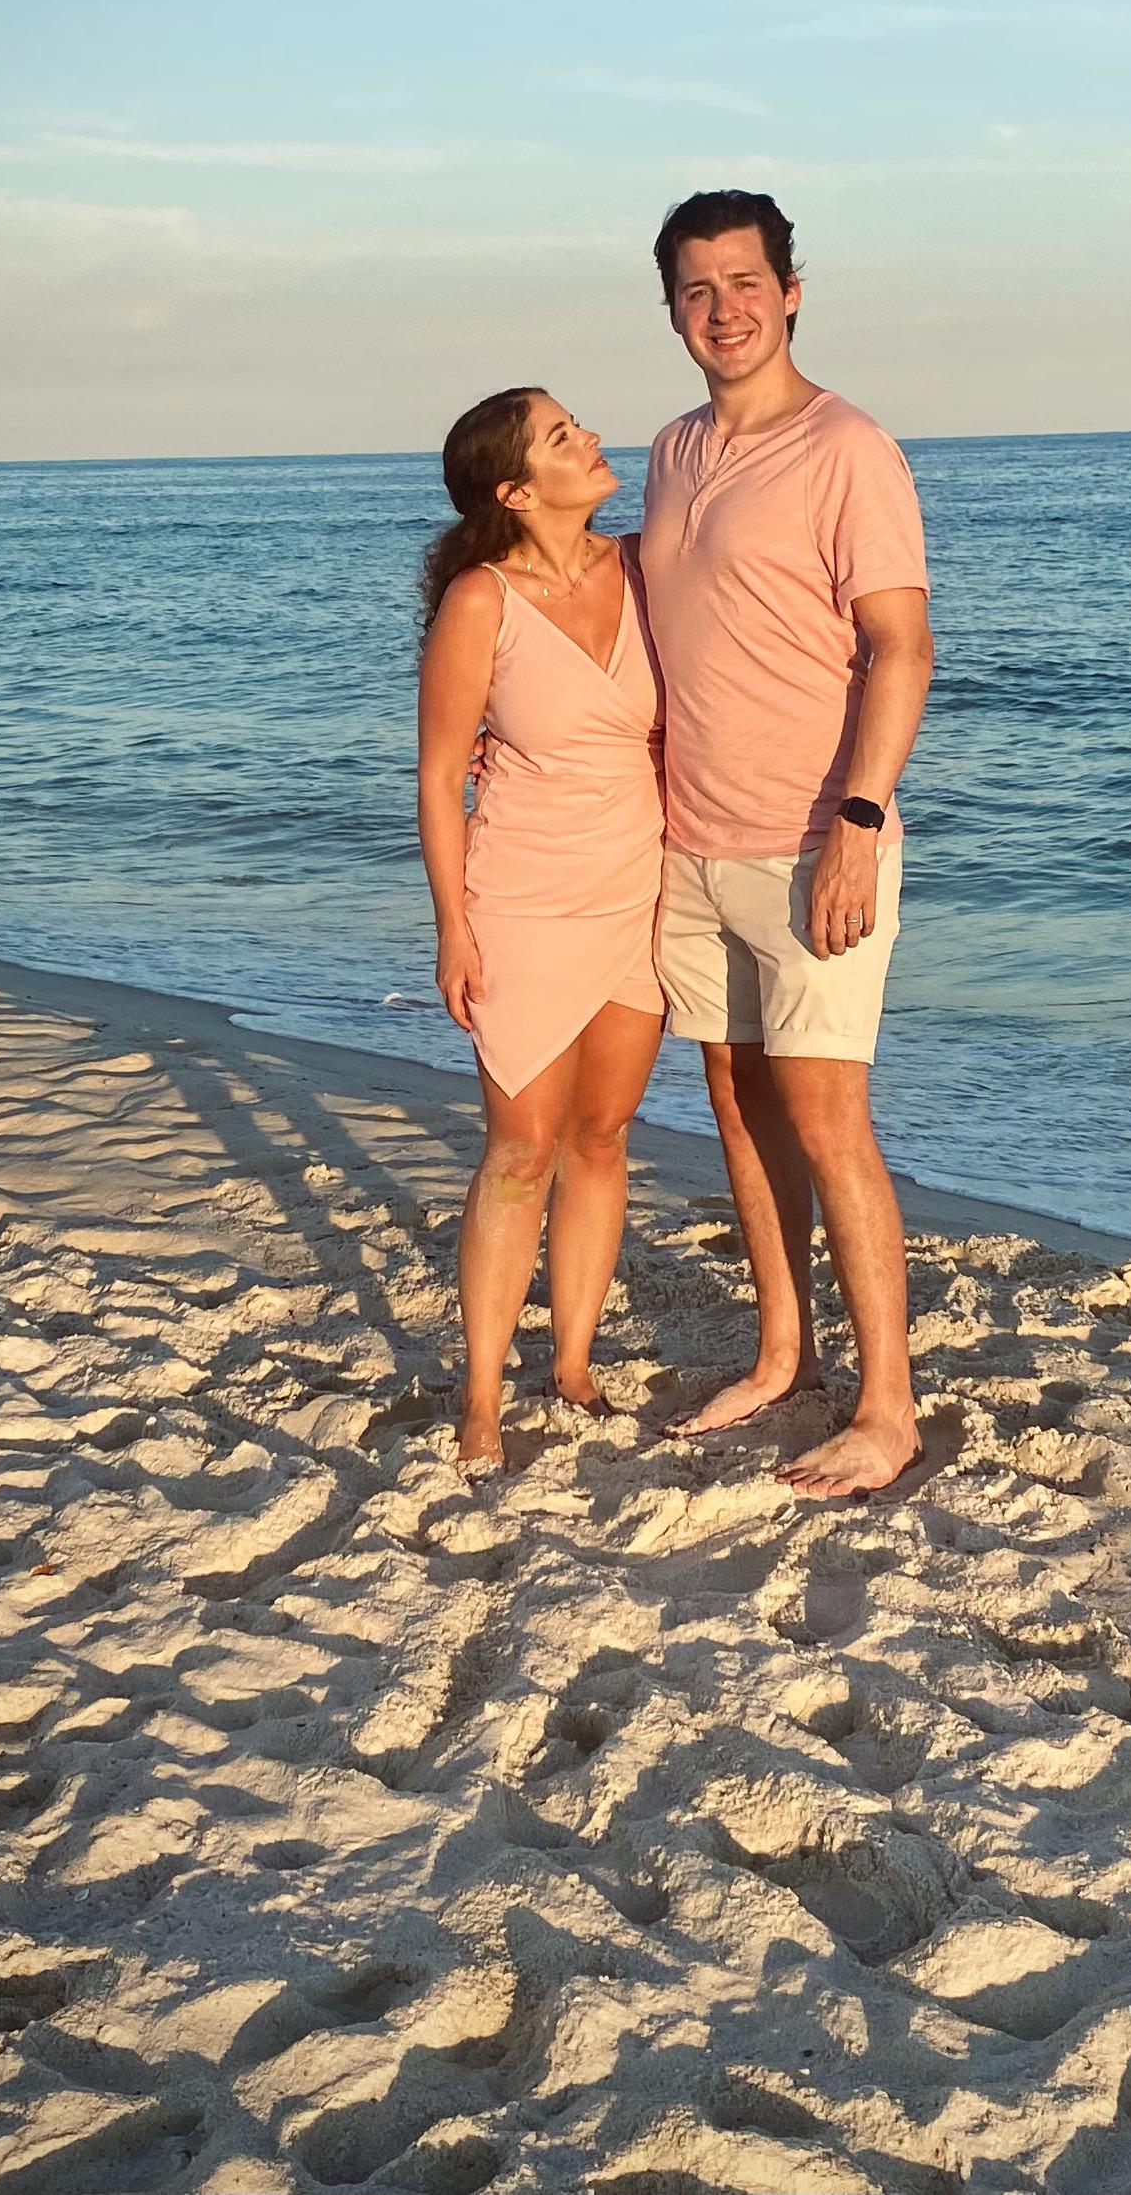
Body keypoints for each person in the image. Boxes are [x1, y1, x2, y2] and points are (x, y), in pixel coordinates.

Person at [639, 190, 935, 1500]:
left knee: (825, 1115)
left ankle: (888, 1405)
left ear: (792, 289)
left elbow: (902, 645)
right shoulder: (668, 450)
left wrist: (859, 821)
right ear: (673, 310)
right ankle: (780, 1350)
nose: (725, 308)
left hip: (814, 837)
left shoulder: (847, 445)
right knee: (737, 1106)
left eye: (745, 281)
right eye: (698, 289)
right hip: (690, 842)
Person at [416, 388, 666, 1472]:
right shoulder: (480, 601)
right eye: (563, 436)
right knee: (521, 1148)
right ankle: (479, 1397)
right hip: (520, 893)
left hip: (641, 886)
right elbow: (437, 774)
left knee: (602, 1136)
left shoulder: (646, 569)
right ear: (515, 491)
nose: (592, 438)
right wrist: (452, 928)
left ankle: (571, 1364)